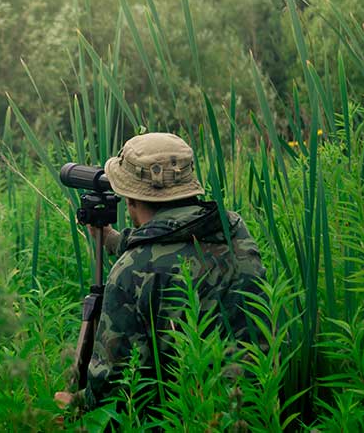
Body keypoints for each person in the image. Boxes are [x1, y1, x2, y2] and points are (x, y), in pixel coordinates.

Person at [54, 132, 267, 411]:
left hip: (183, 416)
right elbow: (177, 245)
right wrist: (112, 239)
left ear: (130, 199)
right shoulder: (235, 235)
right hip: (250, 410)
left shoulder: (132, 271)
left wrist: (76, 404)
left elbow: (114, 387)